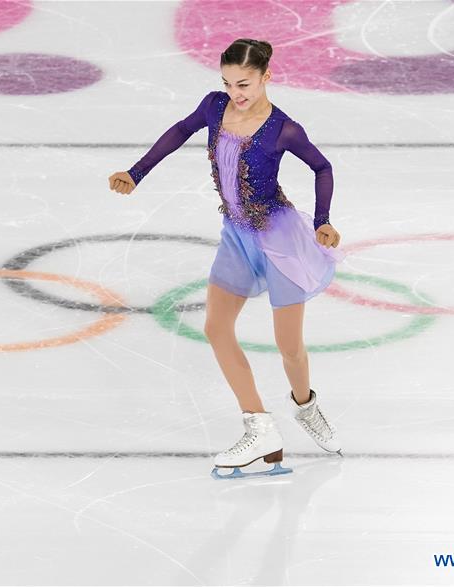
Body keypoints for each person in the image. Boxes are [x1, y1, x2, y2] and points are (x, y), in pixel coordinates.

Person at [109, 38, 345, 478]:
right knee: (216, 328)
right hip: (236, 235)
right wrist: (135, 173)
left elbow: (322, 166)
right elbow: (181, 130)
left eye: (244, 83)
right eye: (228, 83)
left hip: (279, 240)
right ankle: (259, 427)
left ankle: (305, 407)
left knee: (289, 348)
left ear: (265, 77)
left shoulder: (282, 129)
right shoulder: (215, 108)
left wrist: (323, 221)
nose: (236, 92)